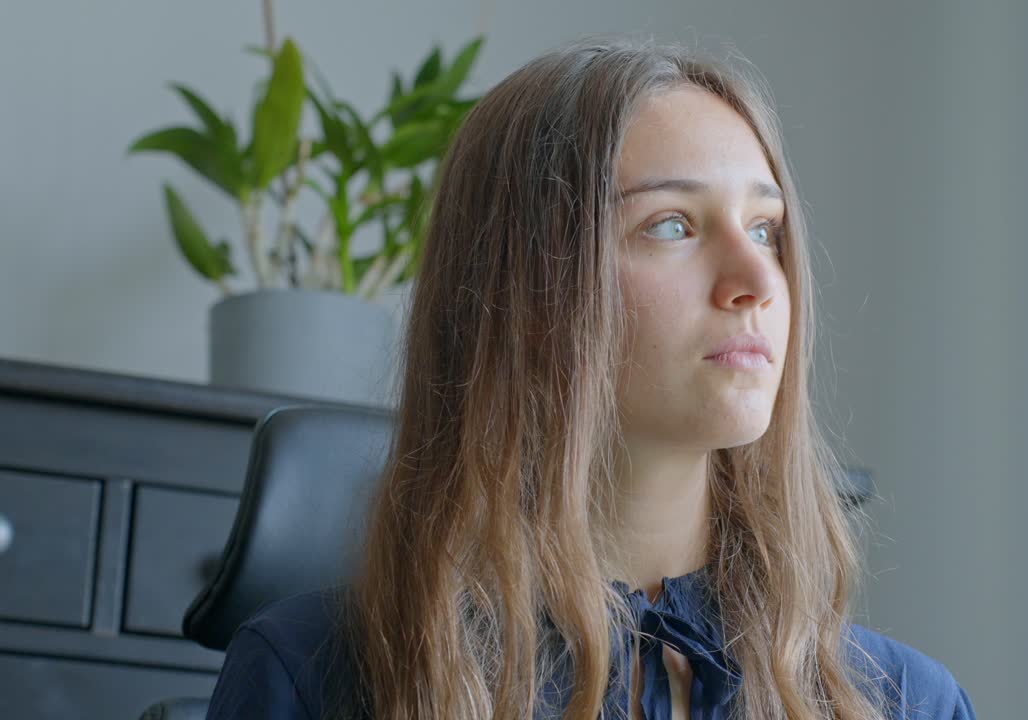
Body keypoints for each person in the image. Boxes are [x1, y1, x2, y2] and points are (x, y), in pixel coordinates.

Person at [204, 34, 977, 720]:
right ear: (526, 289)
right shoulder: (311, 678)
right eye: (671, 224)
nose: (756, 280)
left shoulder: (912, 704)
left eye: (766, 230)